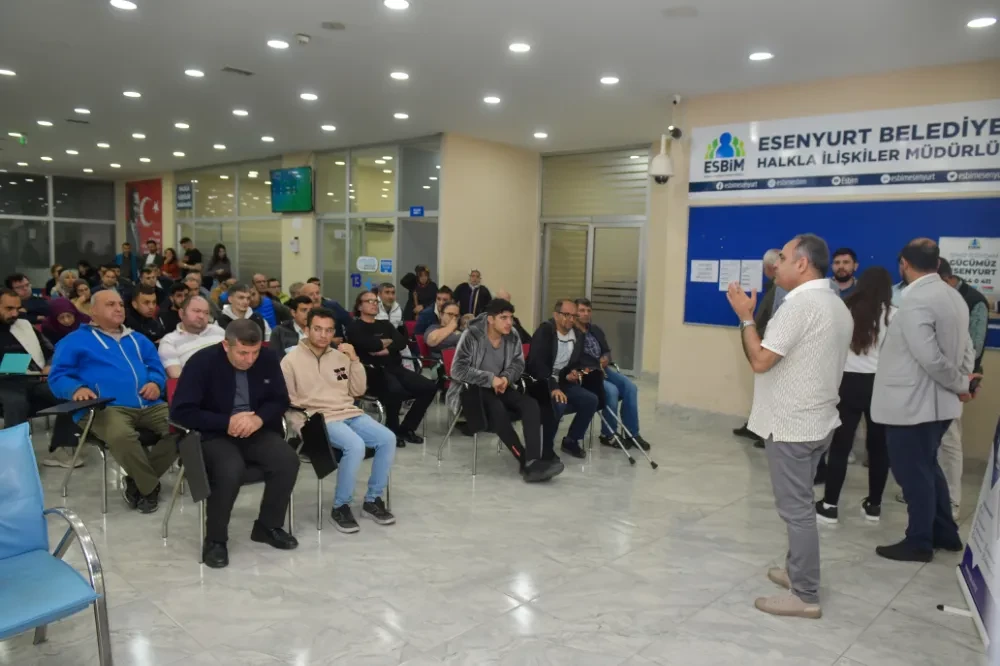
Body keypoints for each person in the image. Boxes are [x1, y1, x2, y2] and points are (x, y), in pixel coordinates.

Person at [725, 233, 852, 619]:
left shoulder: (801, 306)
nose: (775, 264)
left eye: (782, 257)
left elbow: (760, 360)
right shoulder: (834, 302)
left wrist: (746, 317)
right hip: (817, 421)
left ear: (802, 263)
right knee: (800, 505)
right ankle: (798, 572)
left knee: (796, 511)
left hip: (794, 425)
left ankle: (805, 594)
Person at [872, 239, 979, 563]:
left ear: (904, 263)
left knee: (913, 475)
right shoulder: (953, 295)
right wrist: (962, 381)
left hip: (913, 406)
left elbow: (929, 357)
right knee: (929, 469)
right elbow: (966, 348)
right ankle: (945, 534)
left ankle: (918, 542)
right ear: (937, 263)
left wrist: (960, 383)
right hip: (936, 404)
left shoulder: (916, 298)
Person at [170, 319, 299, 568]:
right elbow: (181, 412)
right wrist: (226, 422)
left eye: (254, 352)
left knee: (287, 460)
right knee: (230, 468)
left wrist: (258, 418)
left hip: (254, 428)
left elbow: (279, 399)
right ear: (225, 345)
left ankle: (267, 526)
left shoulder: (267, 358)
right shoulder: (201, 363)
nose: (249, 359)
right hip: (212, 433)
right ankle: (215, 540)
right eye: (242, 353)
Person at [48, 290, 177, 513]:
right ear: (93, 311)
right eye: (110, 304)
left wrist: (156, 383)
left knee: (184, 428)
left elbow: (156, 367)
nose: (118, 308)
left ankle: (139, 481)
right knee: (121, 435)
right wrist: (76, 388)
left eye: (120, 304)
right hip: (105, 407)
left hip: (149, 404)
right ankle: (149, 488)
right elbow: (58, 376)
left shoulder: (138, 339)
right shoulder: (74, 341)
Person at [281, 308, 397, 533]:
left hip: (348, 412)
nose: (323, 335)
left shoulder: (340, 356)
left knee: (388, 438)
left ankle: (372, 500)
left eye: (329, 330)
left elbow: (358, 390)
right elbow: (288, 403)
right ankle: (340, 506)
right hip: (316, 418)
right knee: (355, 445)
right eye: (317, 329)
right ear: (307, 330)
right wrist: (302, 427)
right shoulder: (290, 361)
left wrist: (354, 360)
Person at [449, 299, 564, 482]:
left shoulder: (512, 335)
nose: (509, 322)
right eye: (503, 318)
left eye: (511, 317)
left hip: (502, 385)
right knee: (497, 409)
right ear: (490, 319)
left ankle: (533, 459)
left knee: (530, 404)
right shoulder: (471, 335)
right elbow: (457, 370)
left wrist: (505, 378)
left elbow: (518, 364)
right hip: (473, 390)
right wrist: (490, 379)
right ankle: (525, 461)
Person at [815, 266, 896, 525]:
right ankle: (874, 506)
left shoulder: (845, 309)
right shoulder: (894, 315)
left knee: (840, 446)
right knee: (878, 448)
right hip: (879, 385)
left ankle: (829, 506)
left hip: (847, 383)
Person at [935, 259, 989, 519]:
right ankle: (935, 493)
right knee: (932, 441)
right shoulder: (939, 301)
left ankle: (952, 501)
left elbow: (973, 349)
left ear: (946, 279)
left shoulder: (971, 301)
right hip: (933, 381)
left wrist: (964, 383)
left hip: (958, 381)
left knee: (950, 440)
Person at [0, 289, 79, 468]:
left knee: (71, 394)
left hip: (34, 379)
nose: (14, 314)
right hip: (4, 384)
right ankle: (16, 458)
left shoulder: (24, 325)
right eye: (9, 309)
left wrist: (50, 365)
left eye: (17, 309)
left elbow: (50, 351)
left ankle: (61, 447)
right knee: (16, 403)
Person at [348, 290, 437, 445]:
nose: (374, 304)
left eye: (376, 301)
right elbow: (369, 345)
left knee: (429, 387)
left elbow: (401, 341)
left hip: (395, 368)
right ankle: (392, 431)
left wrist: (386, 348)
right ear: (359, 306)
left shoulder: (385, 324)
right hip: (372, 371)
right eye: (369, 301)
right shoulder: (354, 327)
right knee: (396, 391)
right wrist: (386, 342)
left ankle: (407, 428)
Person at [526, 299, 599, 460]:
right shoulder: (545, 331)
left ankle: (571, 440)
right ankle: (546, 448)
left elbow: (575, 362)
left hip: (563, 381)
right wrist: (553, 386)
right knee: (558, 403)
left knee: (591, 400)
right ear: (556, 315)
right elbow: (536, 364)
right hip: (541, 382)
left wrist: (573, 372)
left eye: (573, 316)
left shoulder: (577, 335)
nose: (571, 319)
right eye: (566, 315)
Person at [574, 298, 650, 450]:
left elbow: (606, 350)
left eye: (588, 311)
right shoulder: (573, 333)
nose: (586, 314)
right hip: (587, 374)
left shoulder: (595, 329)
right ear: (574, 313)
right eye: (582, 310)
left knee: (630, 387)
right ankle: (608, 435)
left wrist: (606, 358)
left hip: (604, 369)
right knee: (612, 390)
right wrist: (594, 365)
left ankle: (632, 433)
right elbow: (575, 359)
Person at [734, 249, 786, 448]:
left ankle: (768, 433)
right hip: (762, 343)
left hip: (770, 346)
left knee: (773, 393)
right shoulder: (773, 287)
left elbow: (774, 320)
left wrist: (751, 327)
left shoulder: (781, 290)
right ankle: (757, 427)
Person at [158, 295, 226, 378]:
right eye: (196, 311)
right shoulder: (169, 342)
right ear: (181, 313)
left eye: (206, 313)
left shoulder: (218, 331)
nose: (201, 316)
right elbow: (177, 377)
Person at [270, 295, 312, 360]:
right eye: (304, 310)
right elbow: (275, 358)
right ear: (293, 313)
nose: (308, 314)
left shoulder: (319, 330)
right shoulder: (279, 331)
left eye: (311, 311)